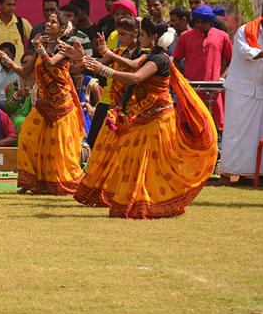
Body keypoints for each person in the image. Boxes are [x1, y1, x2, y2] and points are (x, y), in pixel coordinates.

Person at [83, 18, 217, 218]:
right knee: (134, 160)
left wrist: (103, 70)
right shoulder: (149, 56)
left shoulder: (159, 60)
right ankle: (137, 202)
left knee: (155, 165)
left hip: (159, 119)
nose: (140, 38)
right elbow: (131, 67)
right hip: (145, 118)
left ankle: (155, 203)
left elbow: (136, 77)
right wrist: (96, 59)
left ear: (154, 37)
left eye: (143, 35)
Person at [0, 11, 85, 195]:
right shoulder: (40, 48)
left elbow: (50, 63)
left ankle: (60, 183)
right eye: (47, 21)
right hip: (43, 106)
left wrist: (39, 47)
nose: (47, 24)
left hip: (61, 107)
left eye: (53, 22)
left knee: (58, 148)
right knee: (27, 137)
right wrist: (6, 59)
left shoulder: (64, 48)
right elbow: (23, 72)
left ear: (62, 28)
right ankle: (30, 181)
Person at [74, 15, 143, 207]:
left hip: (134, 110)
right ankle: (107, 191)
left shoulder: (144, 54)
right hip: (115, 107)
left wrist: (109, 55)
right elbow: (98, 63)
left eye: (124, 34)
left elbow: (133, 66)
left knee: (128, 153)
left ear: (135, 34)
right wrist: (80, 58)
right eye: (118, 34)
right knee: (104, 148)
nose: (120, 38)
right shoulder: (119, 52)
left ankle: (128, 193)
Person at [217, 15, 263, 182]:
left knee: (256, 136)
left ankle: (251, 174)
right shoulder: (245, 31)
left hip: (260, 90)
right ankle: (227, 172)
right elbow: (247, 53)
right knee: (234, 133)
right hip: (239, 89)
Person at [171, 5, 232, 131]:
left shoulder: (222, 36)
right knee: (189, 128)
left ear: (210, 22)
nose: (199, 25)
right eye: (197, 22)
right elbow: (175, 60)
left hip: (213, 91)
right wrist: (183, 78)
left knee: (214, 129)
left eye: (202, 22)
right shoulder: (185, 36)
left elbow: (232, 61)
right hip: (191, 90)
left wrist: (222, 78)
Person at [87, 0, 138, 148]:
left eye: (124, 14)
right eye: (117, 14)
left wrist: (106, 58)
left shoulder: (142, 47)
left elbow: (132, 65)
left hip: (129, 100)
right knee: (95, 141)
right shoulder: (114, 35)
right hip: (108, 95)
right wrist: (82, 59)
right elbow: (106, 60)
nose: (120, 17)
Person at [3, 53, 36, 133]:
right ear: (21, 66)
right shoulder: (14, 85)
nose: (28, 65)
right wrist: (17, 95)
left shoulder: (41, 85)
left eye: (31, 62)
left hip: (37, 117)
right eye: (25, 62)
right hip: (17, 119)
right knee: (20, 121)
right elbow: (8, 109)